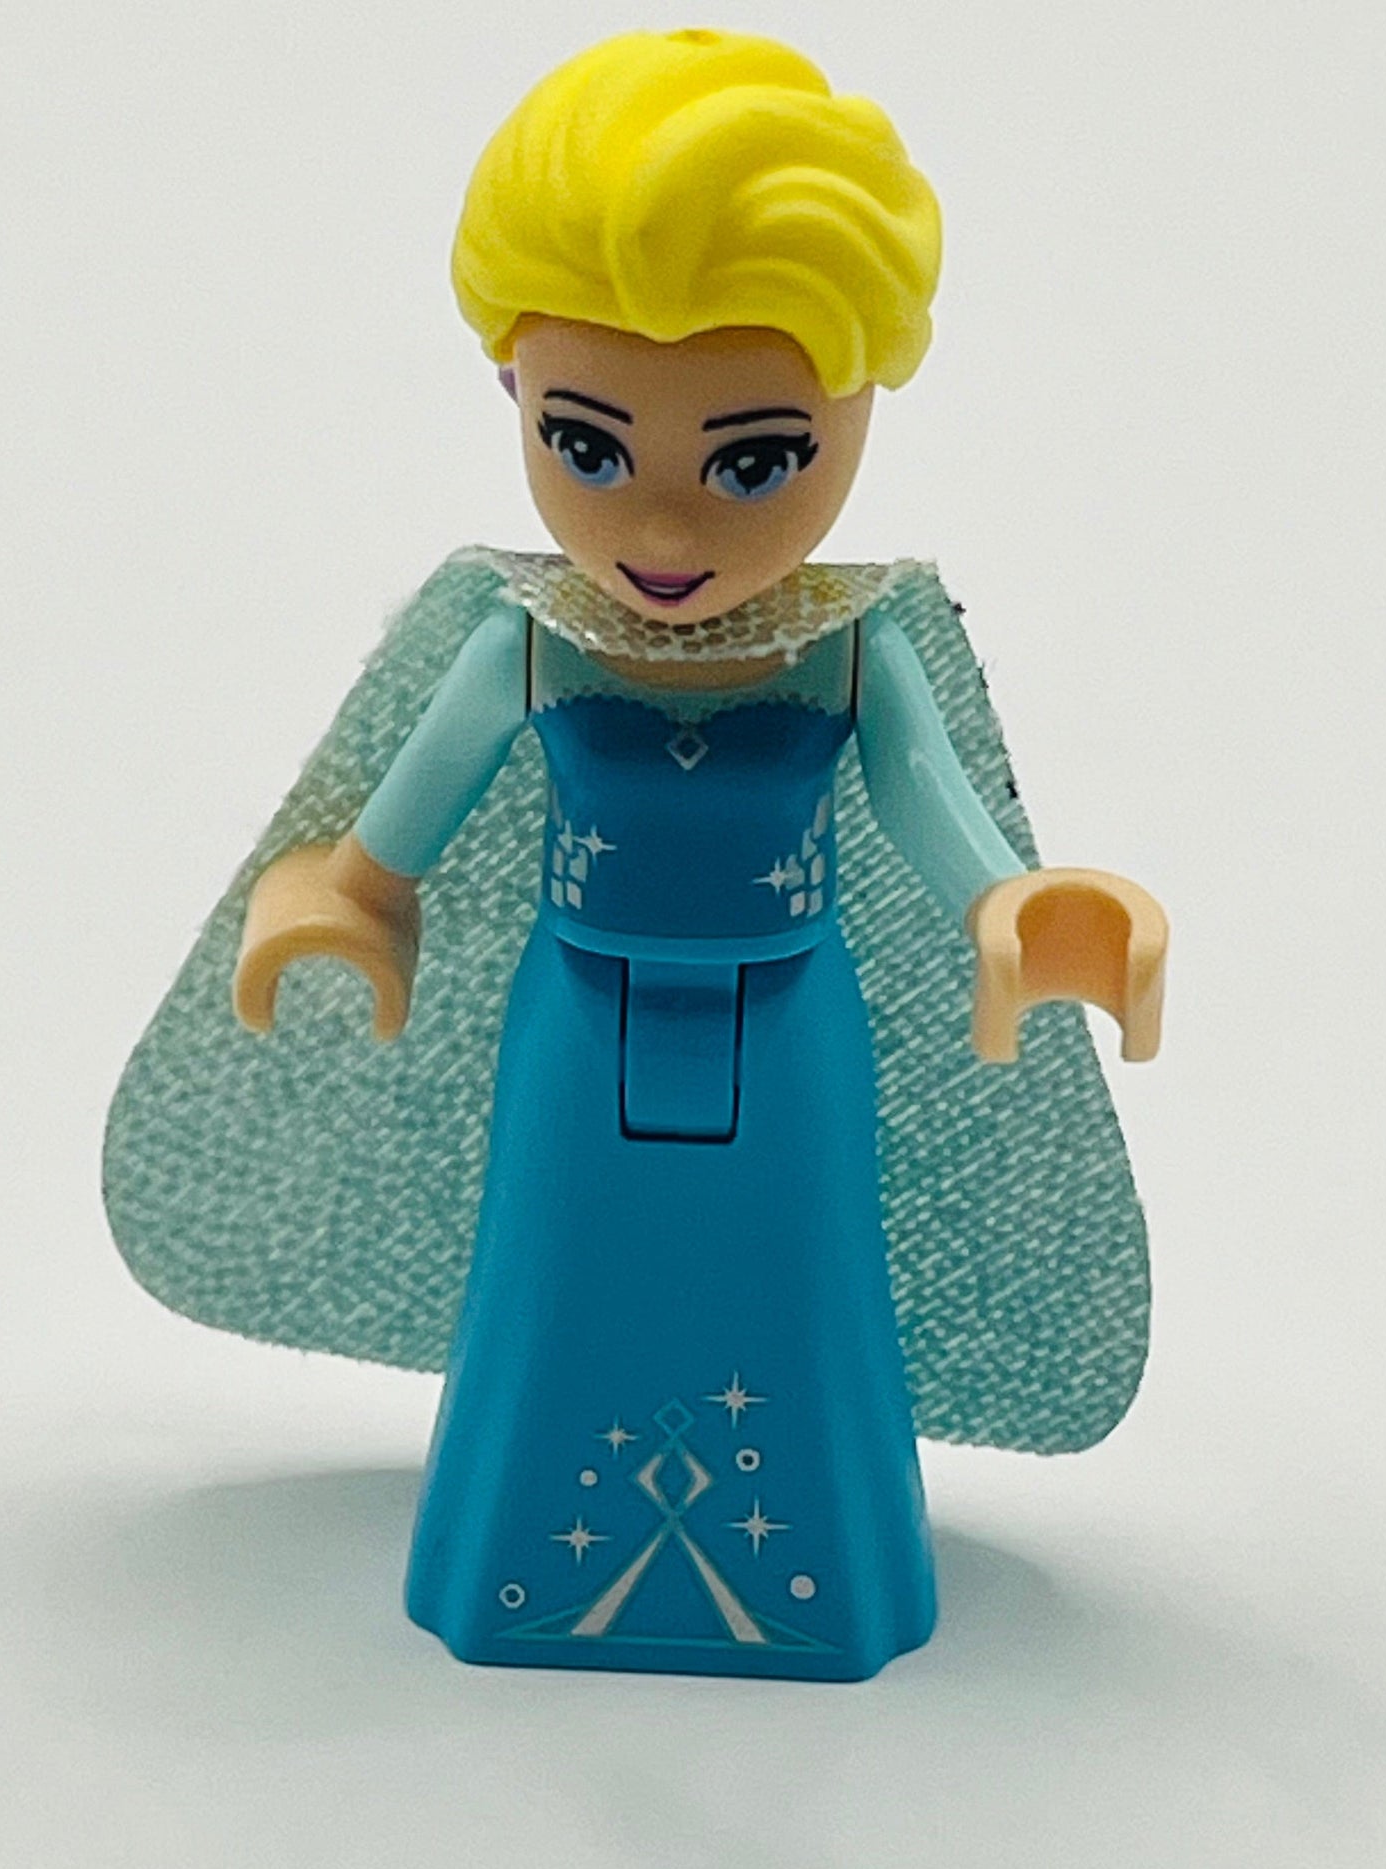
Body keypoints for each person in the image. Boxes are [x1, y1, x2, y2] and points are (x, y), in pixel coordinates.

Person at [104, 29, 1166, 1681]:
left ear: (858, 409)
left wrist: (1013, 904)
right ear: (513, 395)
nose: (664, 534)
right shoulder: (529, 639)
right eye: (587, 445)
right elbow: (408, 817)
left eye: (755, 461)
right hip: (574, 1017)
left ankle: (807, 1578)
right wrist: (355, 894)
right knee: (553, 1280)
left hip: (789, 1028)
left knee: (797, 1283)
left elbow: (930, 806)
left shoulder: (849, 646)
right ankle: (528, 1567)